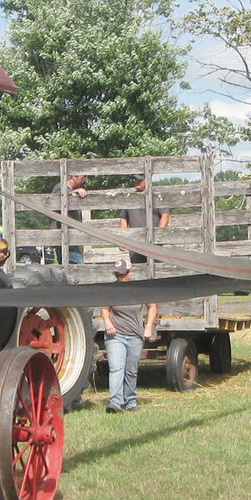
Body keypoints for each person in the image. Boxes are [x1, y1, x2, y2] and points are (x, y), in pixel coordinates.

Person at [100, 258, 157, 413]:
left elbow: (152, 307)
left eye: (122, 274)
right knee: (116, 368)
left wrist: (148, 327)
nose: (119, 278)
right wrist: (107, 322)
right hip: (115, 335)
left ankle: (130, 400)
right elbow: (104, 309)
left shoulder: (139, 289)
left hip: (135, 335)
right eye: (117, 275)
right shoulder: (112, 290)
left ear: (130, 272)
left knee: (131, 369)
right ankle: (115, 402)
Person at [119, 176, 169, 264]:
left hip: (154, 245)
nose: (136, 181)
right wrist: (121, 240)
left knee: (156, 270)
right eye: (135, 179)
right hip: (135, 244)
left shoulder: (157, 196)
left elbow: (165, 216)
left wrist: (158, 238)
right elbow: (124, 219)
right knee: (138, 270)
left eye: (139, 180)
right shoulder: (129, 198)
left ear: (147, 180)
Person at [50, 173, 90, 263]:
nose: (83, 180)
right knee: (78, 267)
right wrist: (73, 193)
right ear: (73, 177)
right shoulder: (60, 188)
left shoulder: (67, 189)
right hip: (65, 236)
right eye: (82, 177)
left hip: (71, 237)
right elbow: (57, 203)